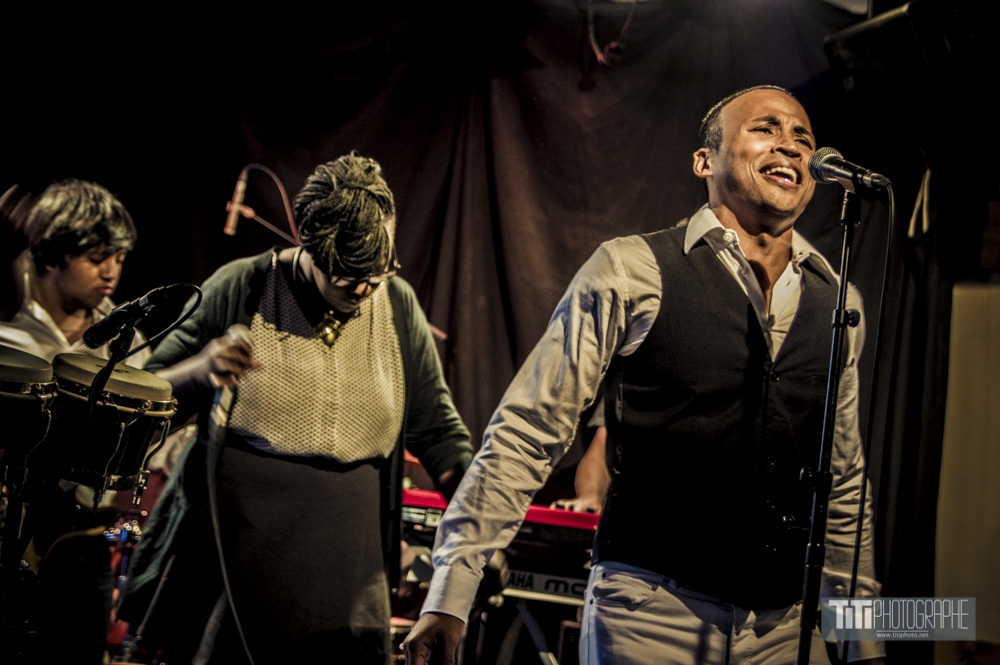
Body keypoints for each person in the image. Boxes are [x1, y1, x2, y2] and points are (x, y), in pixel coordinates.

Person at [404, 86, 887, 665]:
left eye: (803, 137)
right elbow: (528, 430)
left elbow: (844, 482)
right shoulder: (631, 268)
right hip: (650, 614)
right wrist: (451, 593)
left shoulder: (838, 301)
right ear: (704, 161)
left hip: (784, 626)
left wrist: (863, 641)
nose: (790, 144)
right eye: (766, 128)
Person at [116, 152, 474, 665]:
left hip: (348, 567)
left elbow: (437, 431)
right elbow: (141, 396)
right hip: (237, 557)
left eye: (376, 274)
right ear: (309, 245)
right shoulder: (243, 287)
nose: (363, 289)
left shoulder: (396, 305)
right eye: (345, 276)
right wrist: (198, 371)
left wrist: (475, 530)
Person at [0, 179, 155, 664]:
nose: (112, 272)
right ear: (52, 255)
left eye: (120, 258)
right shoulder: (6, 319)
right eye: (96, 257)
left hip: (81, 546)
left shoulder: (128, 342)